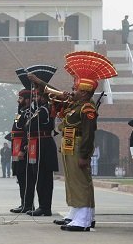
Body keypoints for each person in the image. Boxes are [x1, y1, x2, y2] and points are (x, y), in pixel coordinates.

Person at [56, 51, 117, 232]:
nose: (73, 91)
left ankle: (83, 218)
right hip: (70, 145)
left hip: (78, 146)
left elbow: (89, 134)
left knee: (80, 182)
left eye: (76, 89)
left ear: (84, 92)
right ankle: (78, 213)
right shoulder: (77, 106)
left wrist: (84, 154)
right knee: (73, 181)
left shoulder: (87, 108)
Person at [23, 65, 61, 217]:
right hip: (36, 145)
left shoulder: (47, 108)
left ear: (45, 97)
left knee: (44, 178)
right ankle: (42, 205)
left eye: (38, 96)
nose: (35, 98)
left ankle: (45, 206)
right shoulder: (38, 109)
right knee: (38, 177)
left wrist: (38, 82)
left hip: (44, 145)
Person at [7, 68, 34, 214]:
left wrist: (23, 149)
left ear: (27, 99)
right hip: (16, 148)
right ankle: (24, 203)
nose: (19, 100)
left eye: (21, 98)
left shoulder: (29, 112)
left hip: (22, 149)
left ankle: (28, 204)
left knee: (25, 178)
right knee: (20, 177)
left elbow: (27, 132)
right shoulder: (21, 112)